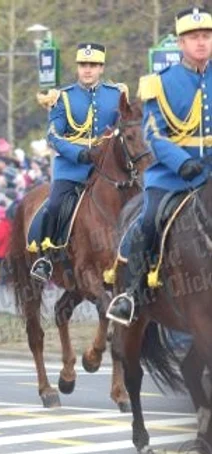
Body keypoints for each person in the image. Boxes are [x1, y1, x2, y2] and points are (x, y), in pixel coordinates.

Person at [107, 6, 212, 326]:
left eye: (207, 36)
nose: (201, 42)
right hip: (171, 176)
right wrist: (182, 164)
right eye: (193, 37)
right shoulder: (159, 83)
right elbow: (153, 133)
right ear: (180, 43)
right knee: (149, 221)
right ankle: (132, 295)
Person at [30, 42, 124, 282]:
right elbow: (53, 135)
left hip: (106, 170)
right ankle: (46, 258)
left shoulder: (116, 95)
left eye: (93, 65)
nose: (88, 70)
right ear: (78, 67)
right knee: (54, 205)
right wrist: (78, 153)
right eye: (83, 65)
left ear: (101, 68)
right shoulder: (63, 97)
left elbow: (123, 129)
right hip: (71, 169)